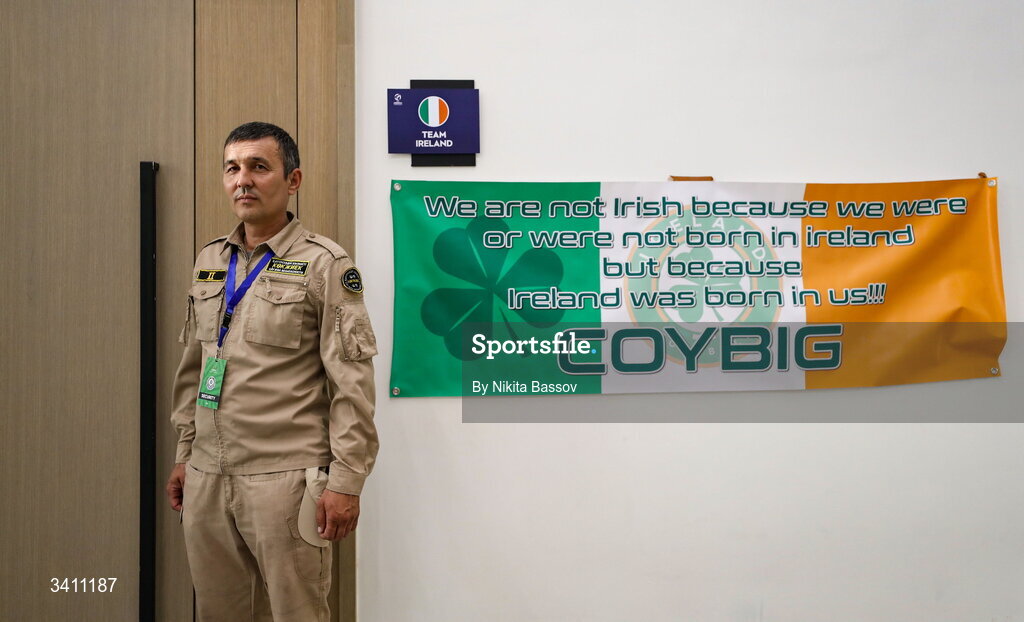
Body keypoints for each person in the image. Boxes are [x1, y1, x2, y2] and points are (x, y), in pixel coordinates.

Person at [165, 121, 378, 621]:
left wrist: (346, 481)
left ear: (293, 180)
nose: (244, 180)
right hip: (207, 477)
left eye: (259, 167)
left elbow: (352, 383)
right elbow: (194, 367)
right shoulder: (210, 260)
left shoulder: (325, 264)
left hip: (282, 480)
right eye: (233, 168)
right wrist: (184, 452)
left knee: (295, 613)